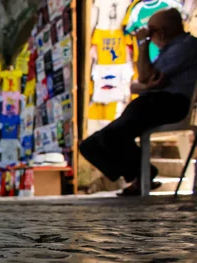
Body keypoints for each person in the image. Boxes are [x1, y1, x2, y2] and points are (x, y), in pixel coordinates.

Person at [80, 9, 197, 196]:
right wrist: (144, 86)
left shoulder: (185, 46)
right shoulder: (168, 50)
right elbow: (145, 81)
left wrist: (143, 43)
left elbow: (143, 77)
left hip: (170, 103)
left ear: (162, 32)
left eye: (152, 32)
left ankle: (140, 176)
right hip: (152, 101)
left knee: (114, 135)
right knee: (90, 145)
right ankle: (139, 175)